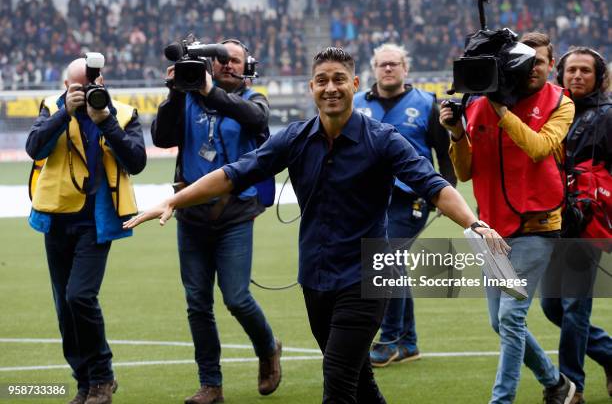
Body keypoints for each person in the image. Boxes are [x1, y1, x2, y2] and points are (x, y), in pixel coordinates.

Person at [126, 46, 508, 404]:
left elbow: (434, 185)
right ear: (311, 88)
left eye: (339, 79)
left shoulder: (383, 140)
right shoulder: (295, 137)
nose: (331, 88)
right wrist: (174, 199)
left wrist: (474, 224)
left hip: (366, 278)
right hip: (315, 278)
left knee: (338, 380)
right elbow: (234, 173)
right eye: (322, 80)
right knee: (360, 379)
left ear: (354, 85)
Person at [440, 32, 576, 404]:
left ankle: (501, 400)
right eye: (523, 60)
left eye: (539, 61)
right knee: (499, 321)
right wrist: (455, 134)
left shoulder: (560, 102)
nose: (531, 67)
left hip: (538, 227)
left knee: (512, 318)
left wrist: (502, 111)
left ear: (551, 65)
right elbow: (465, 173)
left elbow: (539, 148)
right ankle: (557, 384)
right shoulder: (478, 103)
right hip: (492, 231)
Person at [150, 38, 281, 404]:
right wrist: (177, 91)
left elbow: (256, 120)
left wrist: (209, 90)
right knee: (197, 303)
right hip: (191, 214)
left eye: (234, 60)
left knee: (237, 297)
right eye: (219, 59)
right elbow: (161, 137)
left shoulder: (255, 99)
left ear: (247, 66)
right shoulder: (188, 97)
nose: (226, 65)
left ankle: (268, 347)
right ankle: (211, 384)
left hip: (235, 213)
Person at [25, 57, 146, 404]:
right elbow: (35, 148)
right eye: (79, 87)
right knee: (65, 309)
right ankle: (84, 383)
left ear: (102, 81)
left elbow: (136, 161)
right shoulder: (52, 107)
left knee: (80, 296)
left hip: (97, 222)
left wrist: (105, 120)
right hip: (57, 218)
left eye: (93, 84)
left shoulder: (121, 113)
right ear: (67, 87)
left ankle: (103, 376)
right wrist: (65, 112)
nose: (89, 91)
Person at [354, 43, 457, 367]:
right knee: (392, 264)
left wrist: (447, 189)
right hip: (367, 197)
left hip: (410, 195)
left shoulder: (427, 104)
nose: (388, 69)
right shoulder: (356, 105)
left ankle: (389, 339)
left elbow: (444, 149)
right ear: (373, 68)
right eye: (382, 64)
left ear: (405, 68)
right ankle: (408, 342)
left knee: (386, 261)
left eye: (394, 64)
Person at [540, 46, 612, 404]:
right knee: (552, 308)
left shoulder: (609, 116)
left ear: (600, 77)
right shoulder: (553, 110)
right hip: (552, 222)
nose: (578, 76)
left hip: (588, 225)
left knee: (573, 307)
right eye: (572, 70)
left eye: (586, 70)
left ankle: (572, 387)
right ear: (561, 74)